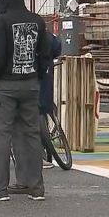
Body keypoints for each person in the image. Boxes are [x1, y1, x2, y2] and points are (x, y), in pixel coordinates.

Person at [0, 0, 51, 202]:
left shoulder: (2, 21)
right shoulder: (37, 21)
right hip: (30, 85)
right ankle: (35, 186)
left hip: (6, 86)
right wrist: (37, 77)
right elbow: (46, 53)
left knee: (1, 136)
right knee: (31, 135)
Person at [38, 31, 63, 170]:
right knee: (43, 107)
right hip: (46, 74)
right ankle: (45, 150)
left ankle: (39, 155)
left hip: (29, 79)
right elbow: (56, 47)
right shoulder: (44, 32)